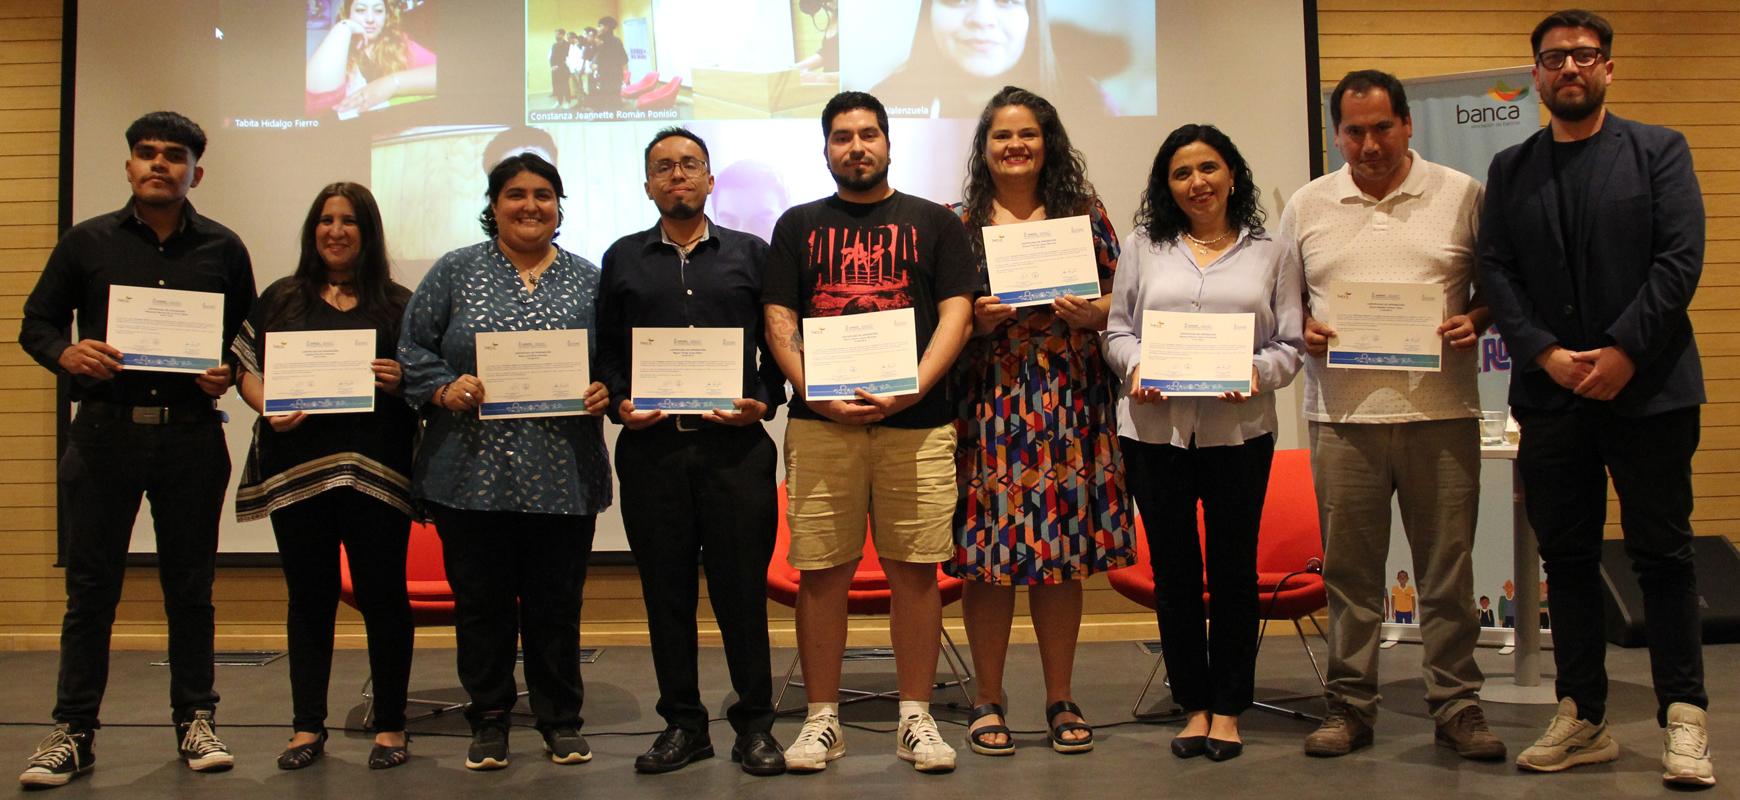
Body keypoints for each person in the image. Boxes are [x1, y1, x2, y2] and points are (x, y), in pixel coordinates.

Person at [1480, 10, 1712, 786]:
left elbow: (1679, 260)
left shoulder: (1659, 152)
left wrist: (1622, 352)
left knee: (1663, 556)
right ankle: (1582, 714)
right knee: (1568, 559)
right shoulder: (1511, 168)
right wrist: (1544, 353)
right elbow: (1498, 273)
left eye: (1584, 55)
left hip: (1650, 391)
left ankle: (1685, 717)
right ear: (1536, 74)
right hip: (1552, 398)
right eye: (1554, 58)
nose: (1569, 68)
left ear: (1608, 68)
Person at [17, 111, 254, 788]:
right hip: (102, 433)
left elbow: (246, 334)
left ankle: (195, 719)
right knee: (91, 589)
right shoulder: (86, 241)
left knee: (191, 586)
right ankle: (73, 730)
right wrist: (67, 351)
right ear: (129, 165)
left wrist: (228, 372)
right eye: (146, 154)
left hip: (190, 433)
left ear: (194, 172)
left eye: (173, 156)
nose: (159, 164)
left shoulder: (223, 247)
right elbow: (36, 323)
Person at [1283, 68, 1504, 762]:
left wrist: (1475, 318)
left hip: (1442, 413)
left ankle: (1457, 705)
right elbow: (1282, 304)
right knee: (1350, 575)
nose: (1370, 143)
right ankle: (1350, 707)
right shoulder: (1308, 204)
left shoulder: (1462, 195)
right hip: (1343, 420)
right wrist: (1304, 327)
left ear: (1407, 124)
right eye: (1355, 130)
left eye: (1383, 127)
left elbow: (1497, 288)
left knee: (1448, 572)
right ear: (1337, 133)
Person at [762, 91, 976, 774]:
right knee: (822, 571)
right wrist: (814, 392)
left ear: (889, 144)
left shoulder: (934, 222)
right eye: (843, 137)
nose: (857, 147)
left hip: (917, 424)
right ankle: (822, 719)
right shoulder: (796, 225)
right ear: (826, 149)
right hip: (822, 428)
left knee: (915, 569)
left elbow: (956, 315)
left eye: (869, 135)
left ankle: (916, 715)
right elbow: (778, 321)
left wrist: (915, 383)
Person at [397, 153, 612, 771]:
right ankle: (489, 720)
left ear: (559, 207)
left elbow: (618, 358)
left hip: (563, 473)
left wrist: (605, 387)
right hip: (470, 475)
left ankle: (559, 721)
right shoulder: (456, 271)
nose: (530, 206)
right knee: (482, 607)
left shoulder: (589, 279)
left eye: (544, 195)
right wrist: (442, 386)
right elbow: (410, 347)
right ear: (493, 204)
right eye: (515, 194)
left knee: (556, 606)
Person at [1104, 123, 1302, 764]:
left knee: (1234, 571)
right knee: (1176, 576)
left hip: (1239, 433)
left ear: (1232, 175)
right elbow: (1116, 333)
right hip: (1154, 432)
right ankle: (1191, 703)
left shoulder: (1272, 250)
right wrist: (1136, 367)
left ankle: (1229, 708)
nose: (1198, 182)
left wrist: (1256, 372)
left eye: (1209, 168)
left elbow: (1291, 346)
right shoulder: (1143, 246)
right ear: (1168, 185)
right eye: (1182, 173)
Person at [947, 86, 1133, 758]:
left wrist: (1094, 312)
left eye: (1028, 134)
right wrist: (976, 317)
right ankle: (986, 699)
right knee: (986, 564)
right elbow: (936, 317)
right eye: (1002, 136)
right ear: (985, 147)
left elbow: (1127, 299)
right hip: (991, 410)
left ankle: (1061, 698)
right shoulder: (958, 222)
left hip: (1068, 407)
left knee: (1060, 563)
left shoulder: (1085, 216)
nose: (1016, 146)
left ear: (1047, 142)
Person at [595, 128, 787, 776]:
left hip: (736, 454)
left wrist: (766, 397)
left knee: (741, 595)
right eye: (663, 168)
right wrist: (620, 400)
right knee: (666, 595)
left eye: (689, 165)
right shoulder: (622, 259)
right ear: (648, 185)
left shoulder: (752, 255)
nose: (677, 176)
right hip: (653, 455)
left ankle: (755, 726)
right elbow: (607, 356)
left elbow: (780, 348)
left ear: (710, 180)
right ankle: (683, 725)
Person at [231, 183, 416, 771]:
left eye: (349, 221)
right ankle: (306, 727)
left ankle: (390, 725)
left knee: (384, 598)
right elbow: (247, 370)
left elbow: (423, 378)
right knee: (309, 599)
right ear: (313, 230)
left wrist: (399, 379)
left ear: (369, 231)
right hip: (298, 470)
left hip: (378, 470)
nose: (336, 231)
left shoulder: (398, 302)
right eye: (326, 220)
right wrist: (266, 405)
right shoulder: (281, 298)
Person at [871, 0, 1106, 119]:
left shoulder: (1091, 101)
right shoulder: (880, 103)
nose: (982, 19)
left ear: (1032, 15)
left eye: (1006, 1)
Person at [305, 0, 437, 117]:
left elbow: (445, 74)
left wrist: (392, 83)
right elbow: (317, 103)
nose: (370, 19)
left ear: (386, 16)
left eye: (378, 11)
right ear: (348, 13)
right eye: (361, 10)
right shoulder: (335, 46)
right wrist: (344, 27)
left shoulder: (401, 44)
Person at [592, 16, 629, 111]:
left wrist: (625, 77)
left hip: (612, 75)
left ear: (606, 27)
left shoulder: (612, 42)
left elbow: (623, 59)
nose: (597, 28)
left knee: (612, 98)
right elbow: (624, 59)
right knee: (608, 98)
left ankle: (614, 117)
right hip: (608, 75)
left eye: (599, 26)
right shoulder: (599, 41)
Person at [548, 28, 573, 110]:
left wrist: (558, 65)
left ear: (562, 35)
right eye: (555, 34)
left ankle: (568, 102)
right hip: (555, 69)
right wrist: (552, 66)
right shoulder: (554, 45)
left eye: (557, 34)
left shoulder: (568, 44)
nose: (556, 36)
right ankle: (559, 101)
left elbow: (566, 57)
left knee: (565, 85)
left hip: (564, 68)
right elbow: (551, 57)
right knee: (557, 86)